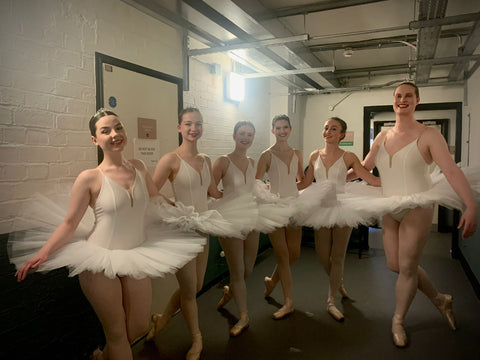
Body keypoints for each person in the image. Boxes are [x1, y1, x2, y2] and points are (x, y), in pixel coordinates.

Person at [13, 109, 205, 360]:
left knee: (138, 327)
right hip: (99, 260)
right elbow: (70, 222)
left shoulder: (138, 166)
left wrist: (183, 214)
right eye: (105, 131)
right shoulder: (89, 178)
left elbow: (156, 198)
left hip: (135, 254)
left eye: (118, 127)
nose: (115, 134)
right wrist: (43, 253)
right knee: (116, 334)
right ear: (95, 140)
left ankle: (103, 356)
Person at [361, 82, 478, 347]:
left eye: (408, 96)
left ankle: (398, 320)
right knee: (396, 265)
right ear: (393, 101)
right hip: (389, 206)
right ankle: (440, 298)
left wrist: (470, 204)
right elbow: (365, 166)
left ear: (417, 101)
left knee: (407, 266)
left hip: (419, 205)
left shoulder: (429, 135)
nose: (402, 100)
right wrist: (327, 181)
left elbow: (451, 170)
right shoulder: (381, 136)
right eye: (398, 96)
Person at [147, 107, 224, 360]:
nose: (194, 129)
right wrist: (173, 207)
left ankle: (163, 318)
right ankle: (196, 339)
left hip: (204, 226)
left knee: (196, 285)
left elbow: (212, 191)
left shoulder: (206, 159)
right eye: (189, 124)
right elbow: (152, 191)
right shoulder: (170, 159)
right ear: (179, 127)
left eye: (198, 124)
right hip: (182, 230)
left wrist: (242, 191)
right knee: (189, 291)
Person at [297, 117, 380, 322]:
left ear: (342, 134)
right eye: (326, 128)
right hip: (320, 208)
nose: (328, 131)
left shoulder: (349, 156)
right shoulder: (314, 155)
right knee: (323, 256)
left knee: (338, 257)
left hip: (342, 207)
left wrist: (396, 183)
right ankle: (338, 281)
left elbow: (368, 177)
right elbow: (306, 182)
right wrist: (281, 191)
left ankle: (331, 300)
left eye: (334, 129)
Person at [212, 121, 259, 336]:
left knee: (248, 269)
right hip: (230, 219)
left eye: (249, 134)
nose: (245, 137)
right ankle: (243, 316)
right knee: (237, 271)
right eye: (242, 133)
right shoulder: (223, 161)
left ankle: (229, 292)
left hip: (251, 217)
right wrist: (226, 201)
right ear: (234, 135)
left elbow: (252, 188)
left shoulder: (252, 161)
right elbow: (210, 189)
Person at [255, 114, 304, 319]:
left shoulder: (297, 153)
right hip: (274, 207)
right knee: (283, 256)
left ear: (290, 129)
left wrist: (293, 195)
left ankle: (272, 281)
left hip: (293, 205)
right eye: (278, 127)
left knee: (294, 254)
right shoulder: (266, 155)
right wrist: (270, 194)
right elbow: (256, 183)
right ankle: (288, 302)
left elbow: (300, 180)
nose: (282, 131)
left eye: (285, 127)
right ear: (272, 130)